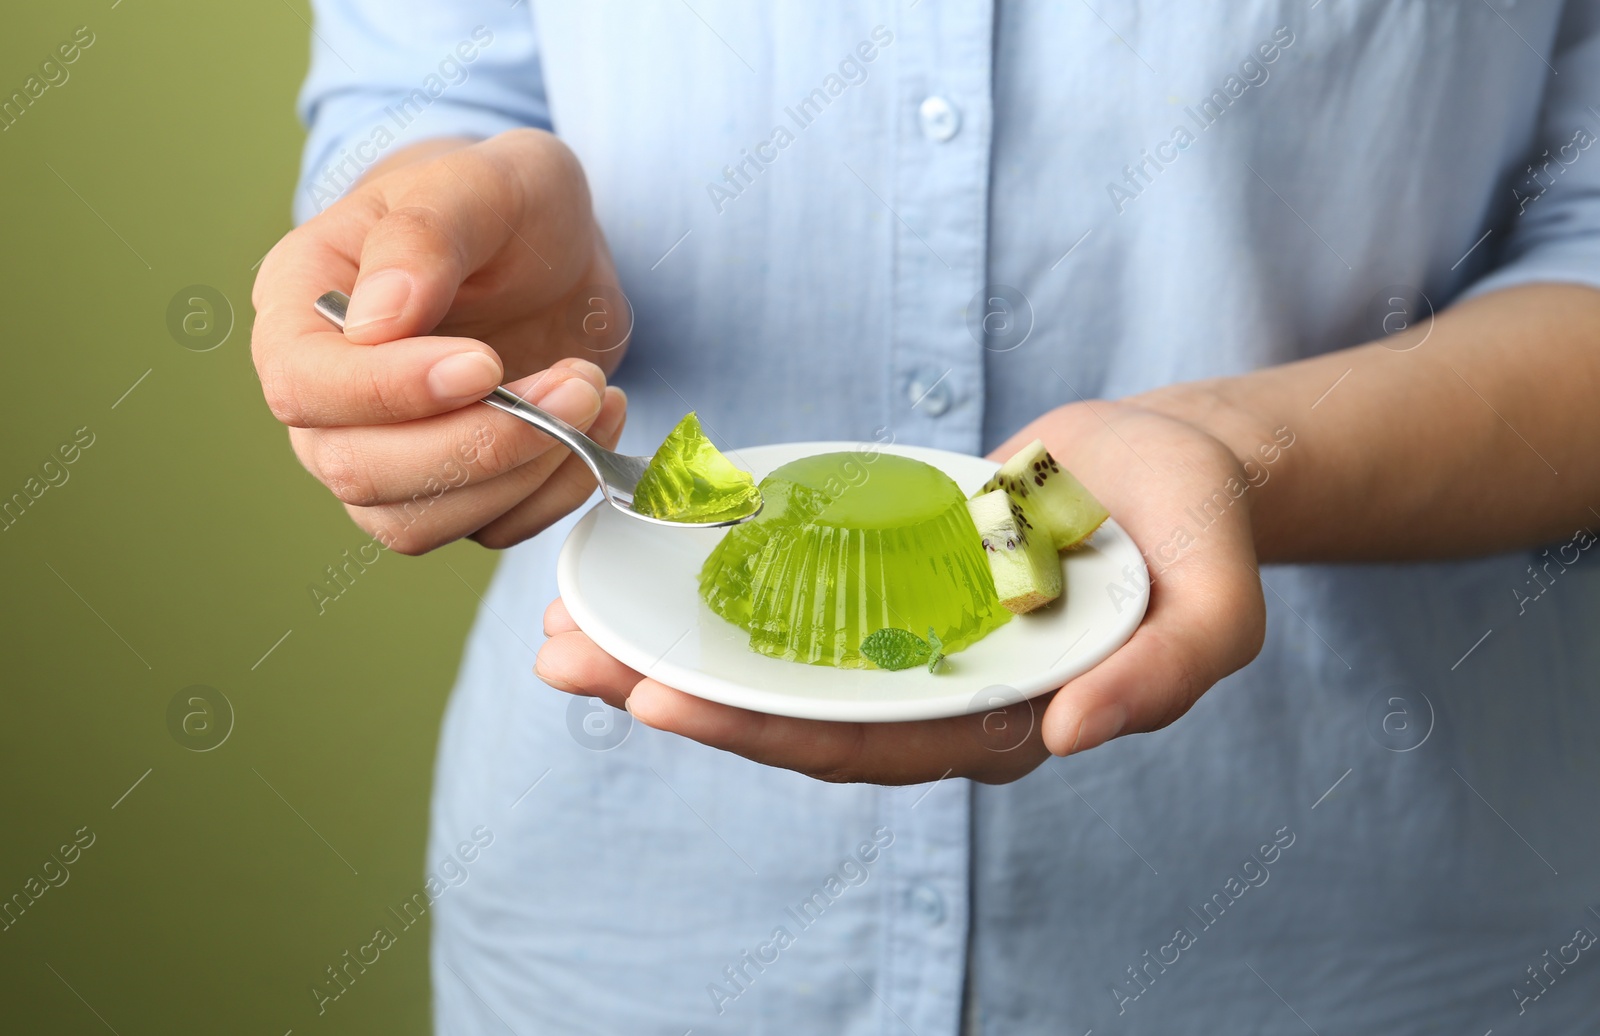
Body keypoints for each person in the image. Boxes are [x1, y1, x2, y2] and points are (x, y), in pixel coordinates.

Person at [252, 2, 1600, 1032]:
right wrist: (442, 259)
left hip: (1363, 924)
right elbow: (417, 91)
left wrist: (1237, 454)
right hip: (634, 929)